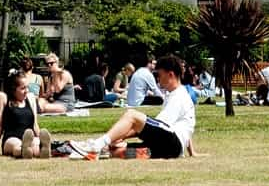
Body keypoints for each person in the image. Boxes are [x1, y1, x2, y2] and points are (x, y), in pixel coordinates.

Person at [65, 54, 197, 160]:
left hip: (171, 143)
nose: (158, 79)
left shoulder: (178, 96)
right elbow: (186, 126)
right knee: (118, 149)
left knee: (131, 115)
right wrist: (192, 152)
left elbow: (158, 126)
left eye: (160, 75)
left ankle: (97, 144)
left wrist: (119, 136)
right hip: (171, 149)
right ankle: (99, 150)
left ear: (171, 74)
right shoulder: (176, 94)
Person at [0, 70, 52, 158]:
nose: (27, 91)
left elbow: (34, 125)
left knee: (36, 144)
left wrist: (39, 137)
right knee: (17, 145)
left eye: (27, 87)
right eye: (23, 88)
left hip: (30, 136)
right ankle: (24, 150)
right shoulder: (3, 98)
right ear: (13, 89)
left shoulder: (30, 97)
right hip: (11, 138)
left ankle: (42, 150)